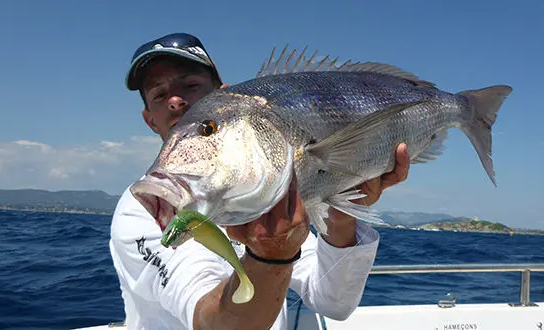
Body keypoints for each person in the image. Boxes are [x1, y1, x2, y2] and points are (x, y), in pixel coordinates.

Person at [109, 32, 411, 330]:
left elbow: (333, 303)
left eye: (189, 85)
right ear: (149, 119)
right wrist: (271, 257)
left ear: (224, 95)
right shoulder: (143, 211)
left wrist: (341, 217)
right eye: (159, 95)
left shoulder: (268, 193)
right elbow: (209, 323)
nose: (175, 100)